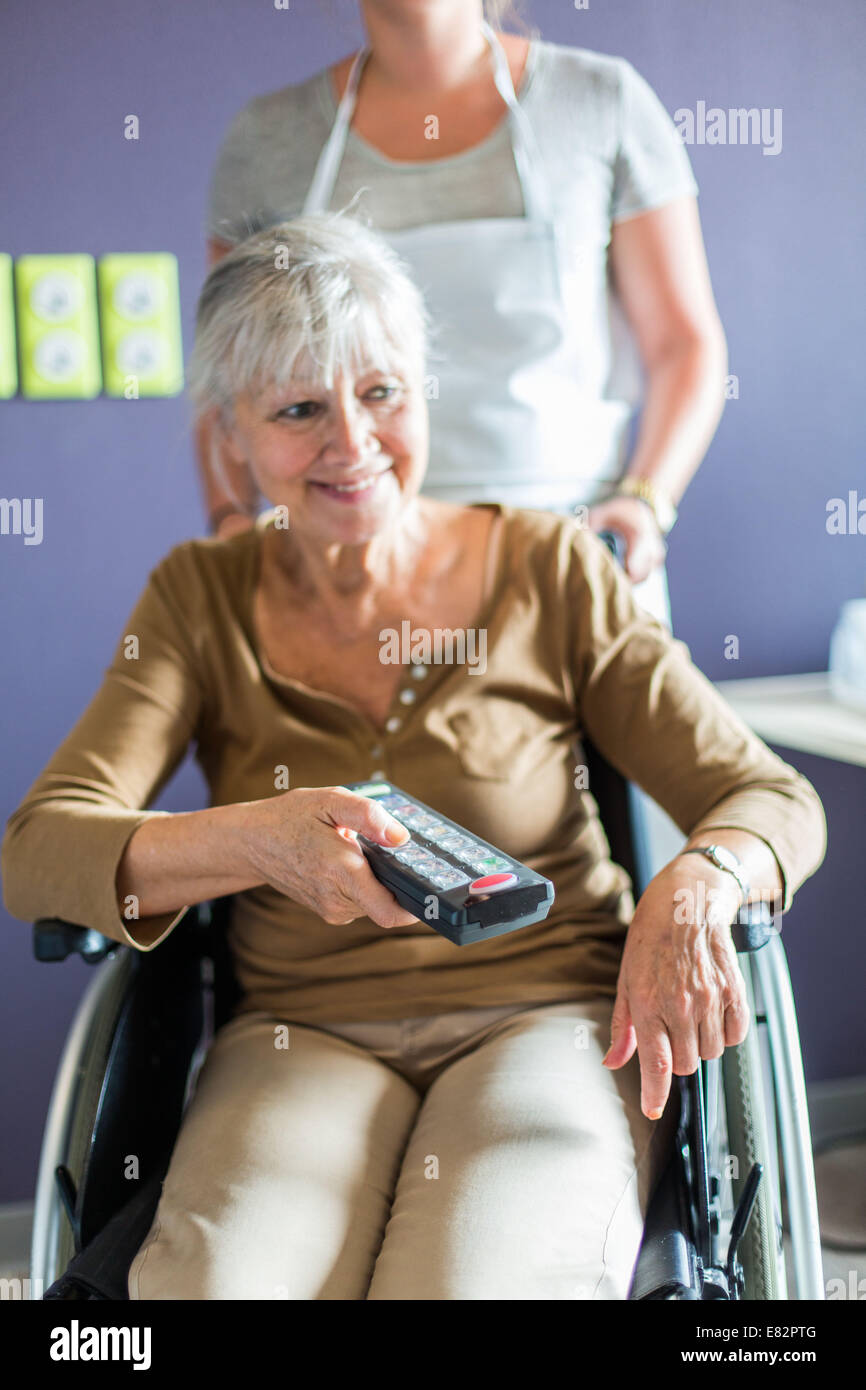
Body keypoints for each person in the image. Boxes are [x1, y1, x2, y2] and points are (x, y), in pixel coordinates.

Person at [2, 217, 825, 1300]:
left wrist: (702, 873)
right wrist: (255, 837)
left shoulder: (551, 570)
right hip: (302, 1032)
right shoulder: (194, 597)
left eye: (382, 391)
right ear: (229, 439)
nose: (352, 442)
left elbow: (765, 794)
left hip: (546, 1018)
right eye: (298, 409)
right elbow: (38, 851)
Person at [198, 0, 728, 628]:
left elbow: (684, 345)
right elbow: (227, 373)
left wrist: (643, 501)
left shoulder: (600, 102)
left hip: (577, 554)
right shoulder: (268, 139)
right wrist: (232, 524)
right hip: (351, 569)